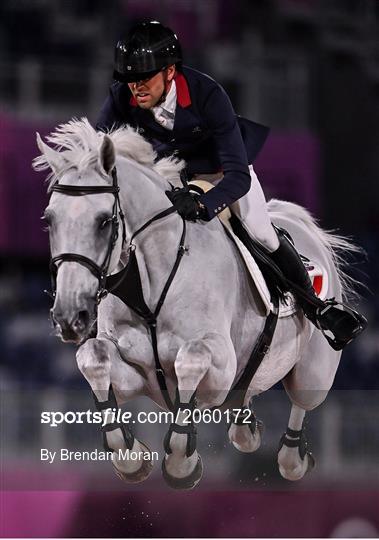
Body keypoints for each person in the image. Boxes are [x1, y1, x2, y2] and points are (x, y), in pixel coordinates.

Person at [96, 20, 366, 350]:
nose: (135, 87)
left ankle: (317, 308)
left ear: (170, 72)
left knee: (260, 230)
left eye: (144, 77)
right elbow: (97, 154)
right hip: (166, 177)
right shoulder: (121, 98)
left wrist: (203, 203)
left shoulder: (208, 95)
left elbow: (238, 176)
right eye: (129, 79)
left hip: (220, 173)